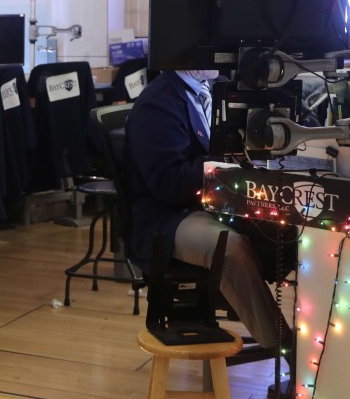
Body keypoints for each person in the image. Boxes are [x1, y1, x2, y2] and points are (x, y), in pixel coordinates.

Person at [125, 69, 293, 356]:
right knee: (229, 248)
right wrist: (222, 162)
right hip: (167, 217)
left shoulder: (217, 87)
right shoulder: (157, 104)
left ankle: (318, 340)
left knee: (291, 230)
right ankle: (284, 347)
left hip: (213, 202)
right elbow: (168, 185)